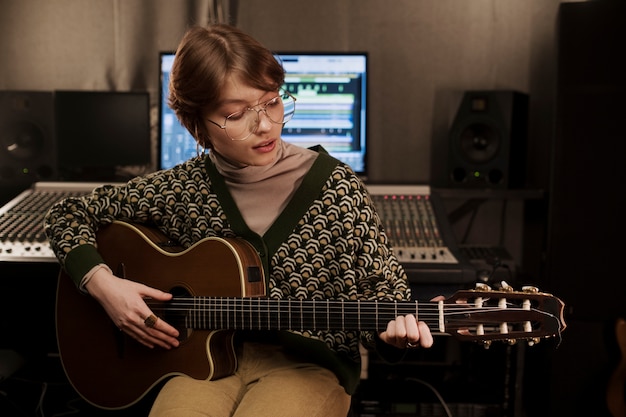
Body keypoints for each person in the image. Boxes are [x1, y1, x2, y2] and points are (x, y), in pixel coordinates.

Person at [44, 23, 437, 417]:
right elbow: (67, 213)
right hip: (204, 366)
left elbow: (382, 294)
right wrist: (105, 285)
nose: (264, 125)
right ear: (195, 125)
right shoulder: (183, 188)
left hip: (306, 367)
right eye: (236, 114)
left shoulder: (336, 188)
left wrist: (395, 334)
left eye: (272, 102)